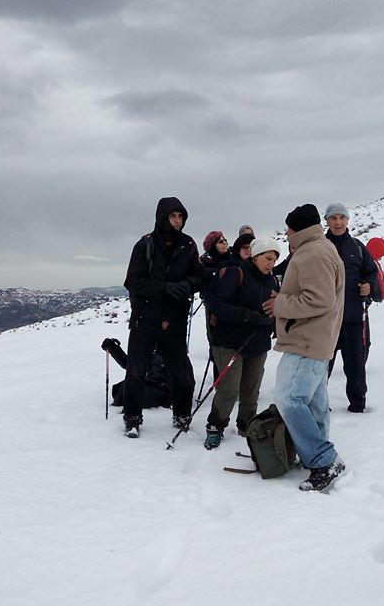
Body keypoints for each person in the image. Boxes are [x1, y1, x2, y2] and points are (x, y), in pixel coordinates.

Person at [262, 204, 347, 492]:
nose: (285, 232)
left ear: (298, 228)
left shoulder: (312, 253)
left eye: (288, 227)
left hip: (306, 340)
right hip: (318, 338)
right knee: (314, 402)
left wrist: (280, 305)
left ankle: (324, 460)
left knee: (289, 400)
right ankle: (318, 454)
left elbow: (319, 299)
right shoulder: (320, 248)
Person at [122, 197, 204, 438]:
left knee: (180, 372)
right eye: (173, 216)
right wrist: (165, 287)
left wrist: (187, 284)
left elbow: (200, 277)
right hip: (145, 319)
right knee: (136, 371)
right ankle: (132, 418)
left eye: (181, 216)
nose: (177, 221)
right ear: (162, 217)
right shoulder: (145, 245)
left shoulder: (188, 245)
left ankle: (181, 414)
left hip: (175, 319)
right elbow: (132, 281)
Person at [203, 236, 280, 449]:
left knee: (251, 389)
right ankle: (215, 426)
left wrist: (271, 320)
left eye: (273, 259)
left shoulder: (273, 281)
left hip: (258, 342)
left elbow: (275, 310)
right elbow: (218, 304)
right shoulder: (236, 273)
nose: (270, 263)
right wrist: (246, 315)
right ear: (255, 257)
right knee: (229, 388)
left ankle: (247, 426)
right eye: (267, 258)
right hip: (229, 341)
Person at [323, 203, 382, 413]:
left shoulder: (357, 246)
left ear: (347, 220)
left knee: (356, 365)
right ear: (327, 221)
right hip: (325, 320)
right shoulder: (320, 246)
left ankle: (358, 404)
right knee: (321, 367)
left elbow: (371, 273)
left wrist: (370, 286)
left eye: (342, 217)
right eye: (333, 218)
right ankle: (318, 404)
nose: (338, 222)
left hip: (353, 318)